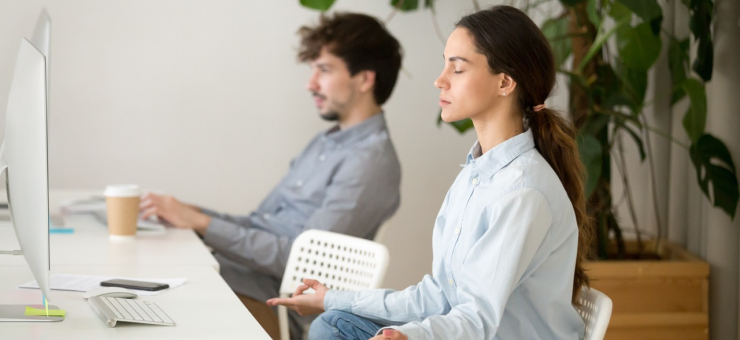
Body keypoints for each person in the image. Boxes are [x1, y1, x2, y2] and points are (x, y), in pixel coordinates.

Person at [266, 5, 592, 340]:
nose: (440, 80)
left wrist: (412, 336)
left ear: (505, 82)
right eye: (444, 64)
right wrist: (331, 298)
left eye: (458, 68)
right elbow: (437, 297)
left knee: (332, 328)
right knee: (333, 320)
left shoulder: (524, 191)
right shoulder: (476, 175)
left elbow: (477, 319)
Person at [139, 12, 403, 340]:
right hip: (241, 279)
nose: (311, 84)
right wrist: (190, 214)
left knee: (151, 305)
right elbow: (259, 222)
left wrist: (202, 224)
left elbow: (306, 264)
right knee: (140, 276)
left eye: (324, 69)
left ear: (365, 79)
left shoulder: (371, 162)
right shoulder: (325, 142)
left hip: (274, 308)